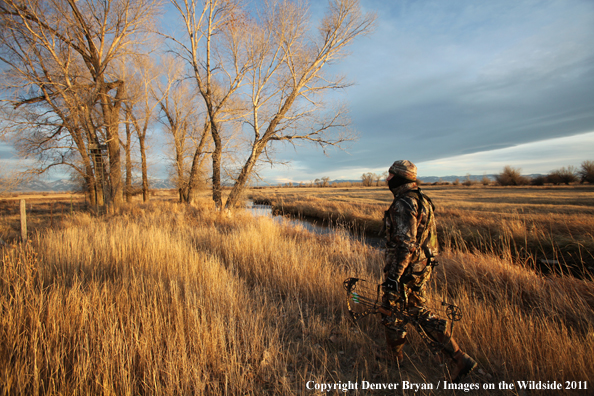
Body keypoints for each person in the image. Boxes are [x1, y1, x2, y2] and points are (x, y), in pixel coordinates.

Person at [379, 159, 477, 383]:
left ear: (400, 178)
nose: (387, 179)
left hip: (406, 270)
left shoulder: (404, 203)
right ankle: (459, 357)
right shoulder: (422, 199)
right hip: (421, 267)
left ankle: (393, 359)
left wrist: (394, 277)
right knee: (416, 310)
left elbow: (406, 244)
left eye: (390, 176)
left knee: (391, 311)